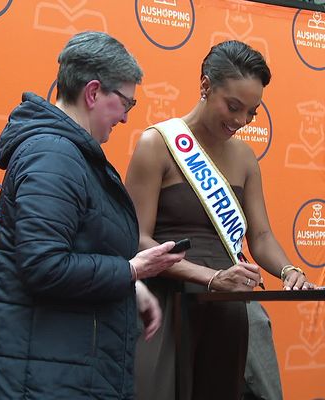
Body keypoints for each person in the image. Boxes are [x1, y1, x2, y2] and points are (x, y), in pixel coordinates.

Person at [0, 31, 186, 399]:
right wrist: (132, 269)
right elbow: (45, 265)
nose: (124, 118)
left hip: (56, 369)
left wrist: (129, 286)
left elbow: (77, 247)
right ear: (93, 93)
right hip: (40, 379)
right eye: (126, 104)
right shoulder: (53, 156)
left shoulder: (68, 153)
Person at [126, 40, 314, 400]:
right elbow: (137, 239)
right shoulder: (157, 144)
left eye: (252, 113)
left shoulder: (244, 158)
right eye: (233, 107)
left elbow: (259, 237)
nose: (241, 121)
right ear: (205, 86)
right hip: (168, 302)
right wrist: (210, 277)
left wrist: (289, 269)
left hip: (227, 304)